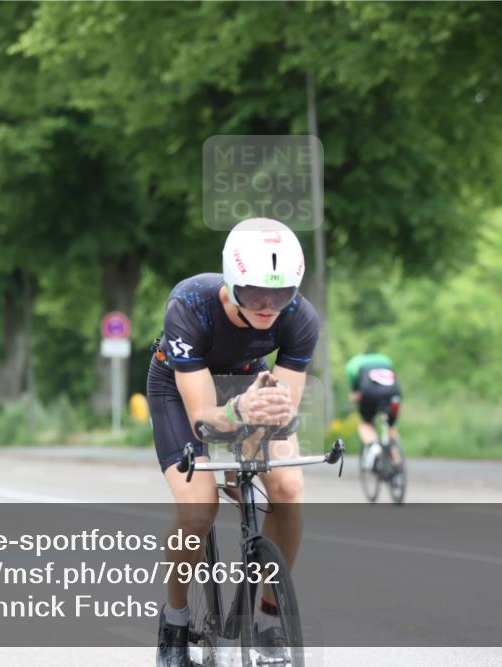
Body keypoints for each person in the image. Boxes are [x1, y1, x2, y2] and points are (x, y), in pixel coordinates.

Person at [148, 217, 318, 667]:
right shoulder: (189, 304)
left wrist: (260, 425)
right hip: (179, 388)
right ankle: (176, 619)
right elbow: (204, 416)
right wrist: (237, 414)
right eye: (254, 293)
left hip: (245, 381)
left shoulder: (300, 319)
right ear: (230, 280)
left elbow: (283, 411)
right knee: (200, 508)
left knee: (289, 488)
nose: (268, 306)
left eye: (281, 294)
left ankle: (267, 617)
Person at [345, 352, 402, 474]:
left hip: (370, 393)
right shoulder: (385, 359)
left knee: (366, 423)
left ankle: (373, 446)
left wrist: (355, 401)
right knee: (391, 425)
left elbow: (357, 393)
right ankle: (397, 462)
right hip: (394, 392)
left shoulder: (352, 364)